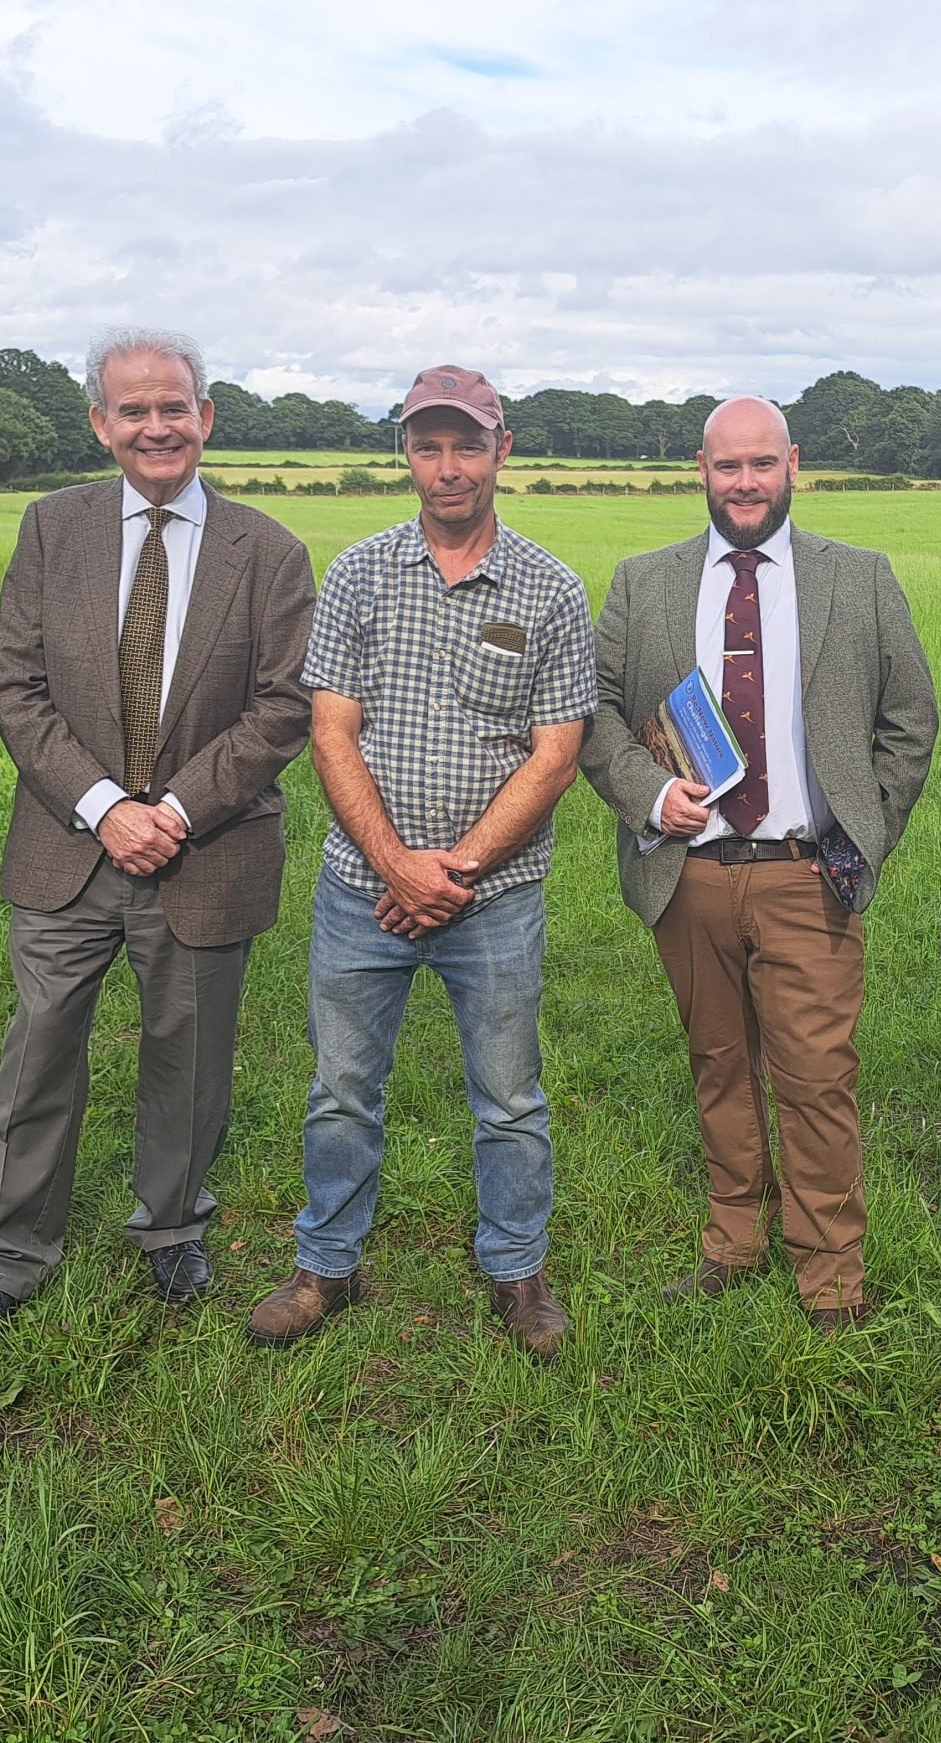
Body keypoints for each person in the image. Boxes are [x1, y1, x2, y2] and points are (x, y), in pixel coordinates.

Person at [0, 329, 316, 1341]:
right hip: (68, 847)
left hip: (208, 847)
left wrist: (176, 811)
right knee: (38, 1053)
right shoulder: (52, 528)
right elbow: (14, 687)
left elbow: (282, 709)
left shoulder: (268, 550)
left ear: (206, 416)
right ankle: (6, 1257)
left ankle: (171, 1228)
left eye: (175, 406)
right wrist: (106, 806)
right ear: (101, 423)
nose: (158, 426)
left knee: (188, 1056)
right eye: (134, 409)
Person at [245, 365, 594, 1360]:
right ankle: (328, 1265)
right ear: (405, 452)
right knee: (342, 1087)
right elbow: (331, 733)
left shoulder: (548, 590)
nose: (448, 467)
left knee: (510, 1095)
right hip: (364, 892)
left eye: (467, 445)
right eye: (427, 445)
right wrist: (396, 865)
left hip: (496, 901)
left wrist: (457, 872)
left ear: (502, 450)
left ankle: (516, 1270)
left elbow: (555, 753)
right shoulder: (359, 573)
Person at [581, 396, 937, 1329]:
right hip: (688, 872)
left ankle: (830, 1277)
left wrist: (867, 832)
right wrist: (649, 796)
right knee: (718, 1064)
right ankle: (733, 1243)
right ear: (700, 470)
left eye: (762, 465)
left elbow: (911, 721)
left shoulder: (857, 578)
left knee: (817, 1079)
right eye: (726, 466)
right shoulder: (642, 581)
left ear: (793, 466)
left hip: (806, 873)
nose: (744, 483)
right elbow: (599, 719)